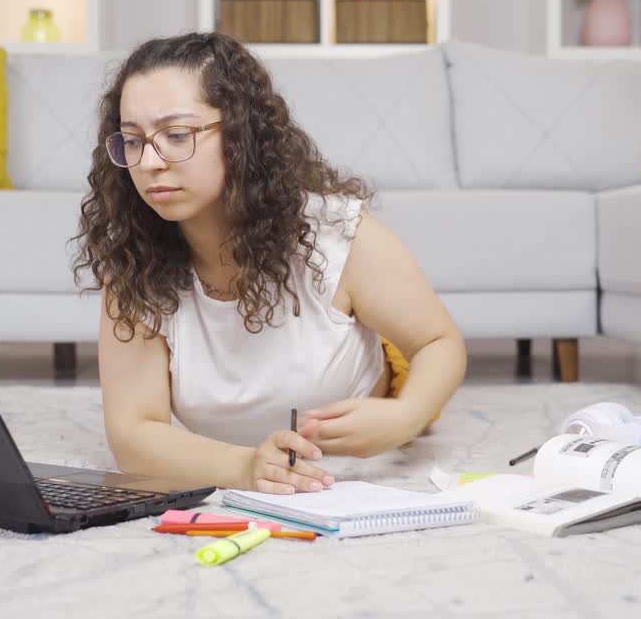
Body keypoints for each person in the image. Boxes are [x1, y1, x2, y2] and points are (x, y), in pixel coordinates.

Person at [73, 32, 465, 495]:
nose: (150, 162)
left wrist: (406, 416)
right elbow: (134, 435)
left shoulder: (335, 235)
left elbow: (439, 342)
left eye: (176, 135)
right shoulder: (135, 265)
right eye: (133, 141)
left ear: (239, 133)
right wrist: (248, 468)